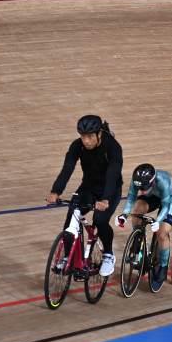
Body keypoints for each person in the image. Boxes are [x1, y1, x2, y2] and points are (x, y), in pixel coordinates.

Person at [46, 115, 123, 276]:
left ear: (99, 134)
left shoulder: (113, 147)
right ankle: (69, 257)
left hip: (110, 190)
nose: (86, 141)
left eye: (90, 137)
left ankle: (108, 254)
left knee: (100, 220)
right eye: (82, 137)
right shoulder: (77, 146)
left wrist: (105, 199)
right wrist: (55, 191)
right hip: (88, 187)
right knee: (71, 216)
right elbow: (67, 169)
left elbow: (112, 175)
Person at [115, 163, 172, 286]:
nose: (142, 191)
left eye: (145, 188)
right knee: (137, 209)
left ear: (153, 183)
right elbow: (131, 197)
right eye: (141, 189)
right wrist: (124, 215)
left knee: (162, 232)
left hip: (170, 200)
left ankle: (164, 266)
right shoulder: (137, 181)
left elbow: (165, 205)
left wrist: (158, 221)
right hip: (154, 196)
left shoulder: (163, 181)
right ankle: (138, 238)